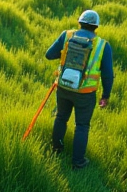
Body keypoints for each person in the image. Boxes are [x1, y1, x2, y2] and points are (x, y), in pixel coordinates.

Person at [44, 9, 114, 170]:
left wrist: (65, 55)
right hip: (85, 93)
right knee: (82, 125)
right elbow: (108, 74)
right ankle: (78, 162)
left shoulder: (67, 35)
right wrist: (106, 95)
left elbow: (49, 54)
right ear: (96, 27)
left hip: (64, 87)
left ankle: (57, 150)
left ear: (79, 22)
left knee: (61, 117)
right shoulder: (103, 45)